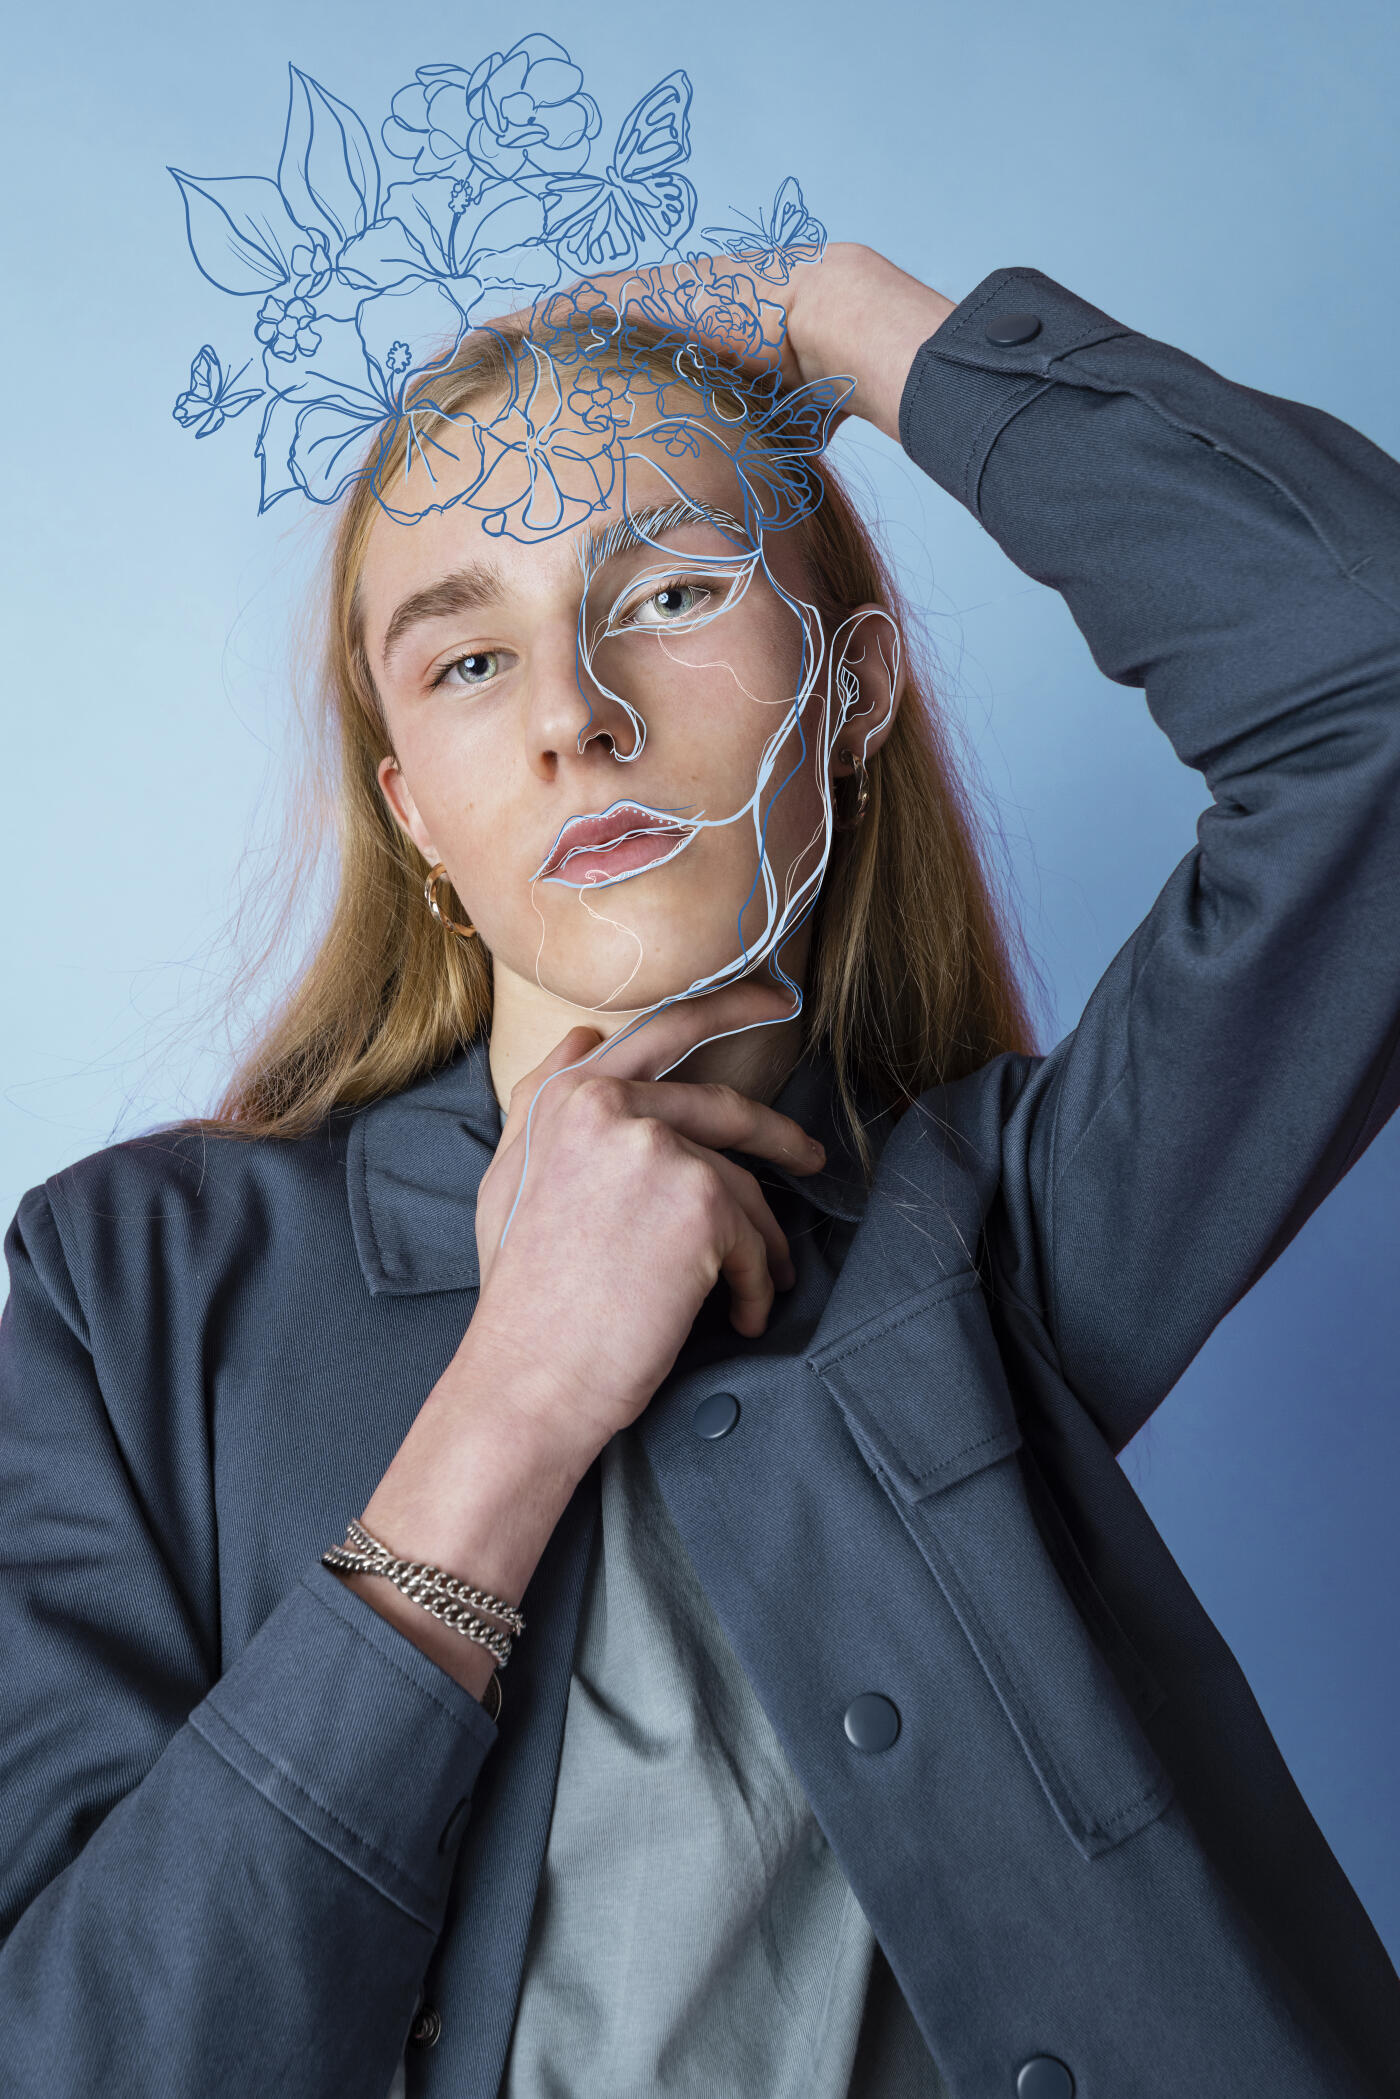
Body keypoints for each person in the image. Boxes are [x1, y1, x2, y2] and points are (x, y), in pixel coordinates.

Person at [2, 237, 1398, 2099]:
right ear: (416, 815)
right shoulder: (128, 1285)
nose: (573, 711)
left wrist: (842, 315)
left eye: (668, 588)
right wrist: (510, 1402)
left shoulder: (1003, 1225)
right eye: (472, 658)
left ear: (855, 688)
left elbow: (1372, 692)